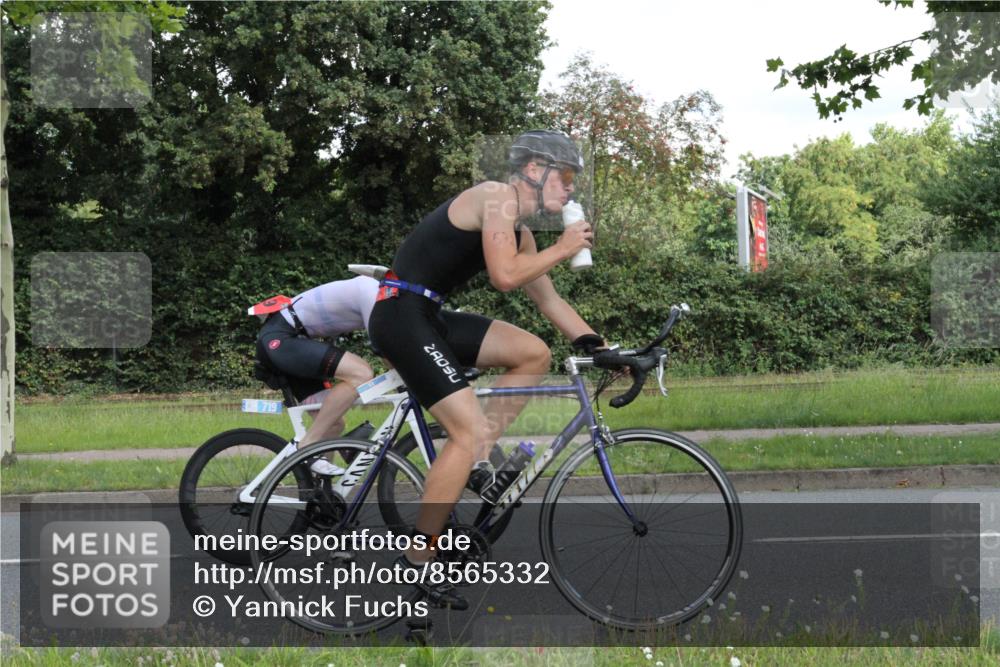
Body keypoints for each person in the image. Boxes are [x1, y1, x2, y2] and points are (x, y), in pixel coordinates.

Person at [368, 130, 606, 609]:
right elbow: (503, 277)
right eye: (564, 177)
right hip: (400, 315)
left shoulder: (521, 231)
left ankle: (480, 459)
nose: (570, 189)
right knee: (465, 430)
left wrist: (602, 349)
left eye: (574, 180)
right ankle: (419, 564)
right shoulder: (497, 198)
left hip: (428, 316)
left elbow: (549, 300)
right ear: (534, 171)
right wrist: (563, 247)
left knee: (532, 353)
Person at [254, 275, 379, 474]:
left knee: (332, 423)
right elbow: (384, 347)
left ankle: (321, 496)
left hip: (289, 338)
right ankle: (306, 447)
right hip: (282, 337)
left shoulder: (382, 296)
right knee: (361, 373)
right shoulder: (373, 293)